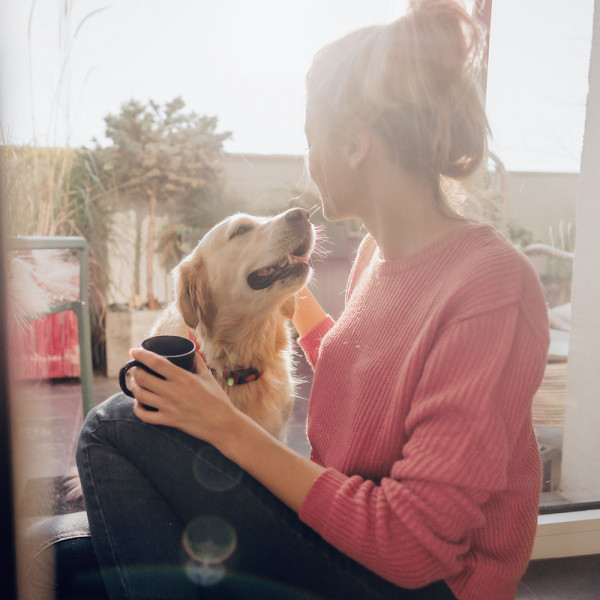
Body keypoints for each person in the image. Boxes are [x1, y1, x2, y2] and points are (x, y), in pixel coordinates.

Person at [33, 1, 550, 598]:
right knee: (58, 556)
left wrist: (224, 424)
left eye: (311, 138)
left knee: (109, 427)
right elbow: (376, 375)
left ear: (355, 143)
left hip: (416, 582)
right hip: (341, 539)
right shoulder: (376, 258)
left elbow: (408, 545)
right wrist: (275, 293)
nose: (308, 159)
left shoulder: (492, 286)